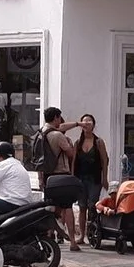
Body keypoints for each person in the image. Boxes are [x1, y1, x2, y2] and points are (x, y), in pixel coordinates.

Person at [37, 108, 84, 252]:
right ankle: (72, 241)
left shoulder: (40, 134)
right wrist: (70, 144)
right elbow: (70, 154)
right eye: (59, 118)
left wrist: (40, 179)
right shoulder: (58, 136)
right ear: (56, 118)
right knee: (67, 207)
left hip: (47, 176)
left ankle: (49, 236)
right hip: (61, 175)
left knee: (51, 207)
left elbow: (38, 159)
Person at [73, 114, 108, 245]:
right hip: (80, 178)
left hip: (95, 179)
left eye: (90, 122)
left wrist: (105, 178)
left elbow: (104, 161)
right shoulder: (78, 143)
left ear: (94, 125)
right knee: (82, 207)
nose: (87, 124)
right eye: (84, 122)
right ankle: (82, 235)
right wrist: (72, 178)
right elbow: (74, 162)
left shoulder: (99, 142)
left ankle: (92, 233)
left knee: (92, 206)